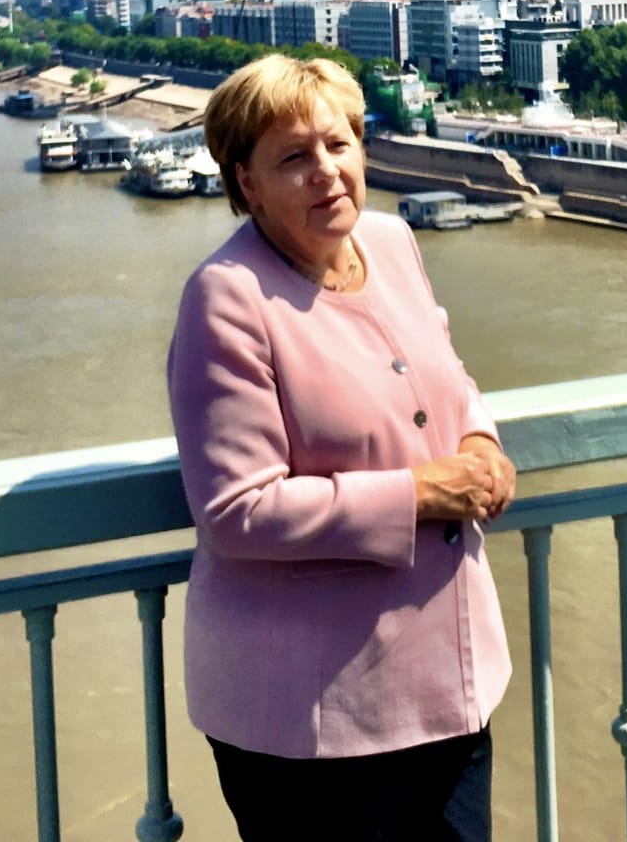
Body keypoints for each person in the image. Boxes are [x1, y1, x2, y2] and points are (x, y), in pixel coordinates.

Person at [167, 54, 515, 841]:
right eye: (293, 157)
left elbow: (448, 378)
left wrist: (481, 445)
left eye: (339, 144)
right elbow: (236, 509)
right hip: (311, 721)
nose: (326, 171)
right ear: (246, 183)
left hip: (448, 688)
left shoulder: (391, 241)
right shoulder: (228, 297)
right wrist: (422, 494)